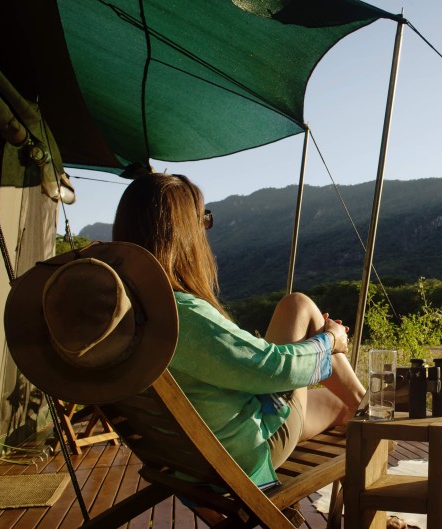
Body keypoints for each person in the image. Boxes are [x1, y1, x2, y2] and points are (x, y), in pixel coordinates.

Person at [112, 173, 366, 489]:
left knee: (343, 406)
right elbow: (273, 368)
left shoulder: (126, 318)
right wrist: (329, 340)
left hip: (189, 455)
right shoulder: (179, 315)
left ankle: (365, 408)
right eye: (202, 222)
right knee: (298, 306)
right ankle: (374, 417)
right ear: (182, 233)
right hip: (244, 451)